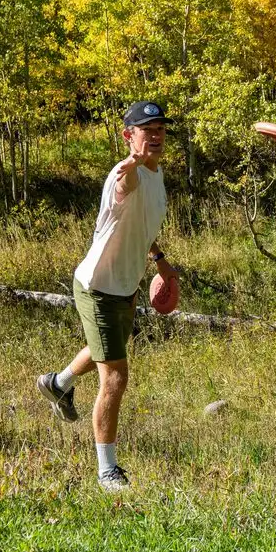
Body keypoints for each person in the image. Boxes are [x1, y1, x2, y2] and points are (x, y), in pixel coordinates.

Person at [36, 101, 180, 491]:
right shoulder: (126, 173)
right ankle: (107, 471)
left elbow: (142, 225)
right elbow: (124, 186)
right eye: (145, 129)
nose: (155, 135)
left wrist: (160, 262)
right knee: (116, 376)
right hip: (98, 287)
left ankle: (58, 383)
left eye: (160, 129)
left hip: (125, 286)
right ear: (128, 136)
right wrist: (132, 163)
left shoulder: (157, 175)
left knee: (105, 348)